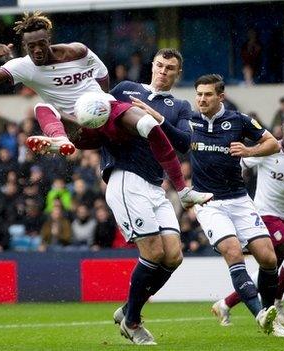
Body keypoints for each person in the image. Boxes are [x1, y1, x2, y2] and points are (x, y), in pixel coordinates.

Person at [0, 12, 209, 210]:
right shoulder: (22, 67)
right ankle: (58, 139)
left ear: (48, 40)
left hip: (105, 111)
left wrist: (101, 101)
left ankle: (184, 191)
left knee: (149, 125)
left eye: (41, 44)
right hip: (78, 127)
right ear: (25, 47)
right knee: (42, 106)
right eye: (31, 47)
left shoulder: (77, 51)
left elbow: (102, 73)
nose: (37, 51)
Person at [104, 48, 208, 345]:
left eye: (170, 68)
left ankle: (128, 308)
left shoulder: (180, 106)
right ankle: (133, 322)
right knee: (152, 253)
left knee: (173, 256)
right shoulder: (126, 90)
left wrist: (157, 118)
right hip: (126, 177)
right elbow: (99, 115)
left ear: (178, 74)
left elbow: (186, 143)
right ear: (153, 66)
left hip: (155, 186)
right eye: (160, 65)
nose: (163, 71)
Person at [189, 74, 284, 337]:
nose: (201, 99)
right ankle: (259, 314)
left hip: (240, 199)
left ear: (221, 97)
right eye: (198, 93)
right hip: (208, 201)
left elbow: (273, 144)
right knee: (233, 252)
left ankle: (269, 313)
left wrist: (249, 151)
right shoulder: (189, 119)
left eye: (207, 94)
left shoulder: (239, 120)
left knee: (268, 258)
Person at [211, 113, 284, 326]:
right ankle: (276, 303)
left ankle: (225, 304)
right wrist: (231, 184)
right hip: (264, 215)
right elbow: (242, 163)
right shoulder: (268, 150)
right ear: (281, 129)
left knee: (269, 271)